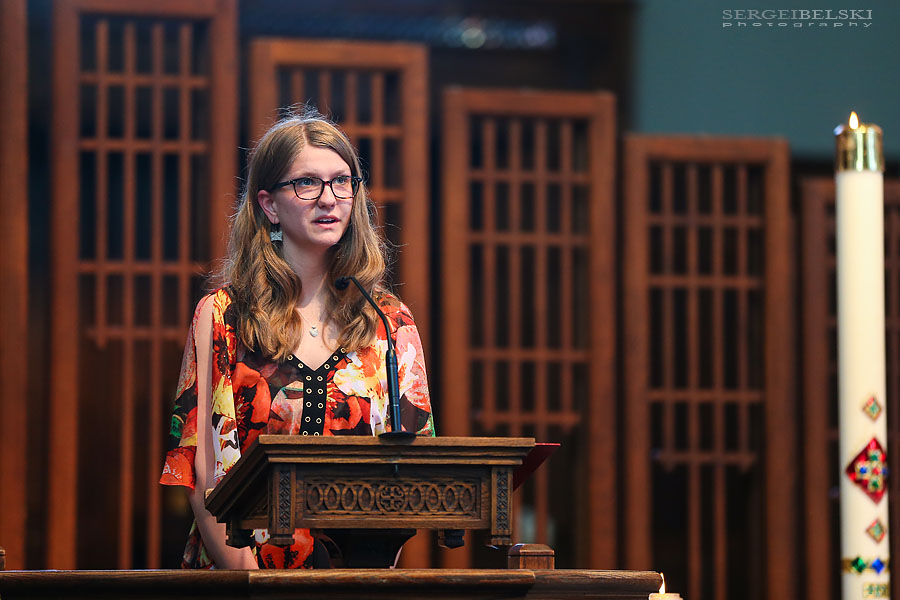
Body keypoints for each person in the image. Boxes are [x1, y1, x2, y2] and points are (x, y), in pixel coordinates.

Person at [159, 111, 435, 569]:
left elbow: (409, 471)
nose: (329, 198)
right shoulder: (223, 315)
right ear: (269, 205)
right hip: (241, 573)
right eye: (307, 182)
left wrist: (369, 574)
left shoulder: (389, 321)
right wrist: (251, 581)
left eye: (342, 181)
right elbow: (203, 467)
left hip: (354, 580)